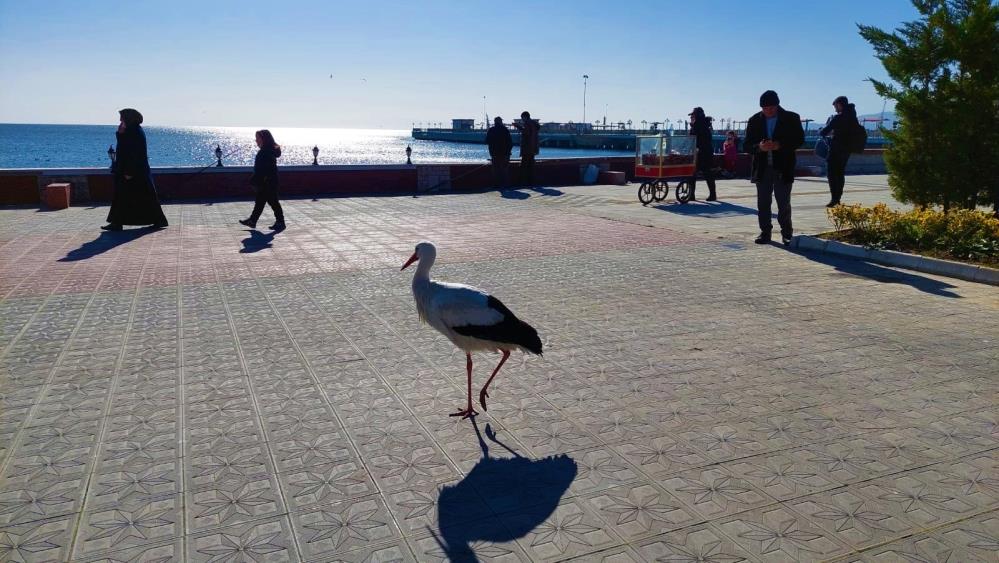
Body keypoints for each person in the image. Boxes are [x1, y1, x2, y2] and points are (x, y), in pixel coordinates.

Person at [743, 90, 805, 245]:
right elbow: (746, 145)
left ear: (777, 105)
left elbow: (799, 140)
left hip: (783, 167)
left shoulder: (791, 118)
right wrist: (759, 147)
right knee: (763, 203)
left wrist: (780, 145)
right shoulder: (754, 120)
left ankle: (787, 233)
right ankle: (765, 233)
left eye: (771, 107)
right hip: (762, 168)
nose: (768, 111)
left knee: (783, 202)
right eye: (765, 108)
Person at [102, 108, 168, 231]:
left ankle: (158, 220)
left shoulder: (135, 132)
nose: (120, 120)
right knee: (125, 197)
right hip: (131, 171)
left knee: (142, 197)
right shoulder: (131, 130)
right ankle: (117, 222)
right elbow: (124, 147)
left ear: (128, 118)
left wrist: (129, 171)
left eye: (122, 117)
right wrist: (120, 134)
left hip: (134, 172)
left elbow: (134, 153)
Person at [239, 129, 285, 230]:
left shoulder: (265, 152)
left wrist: (257, 180)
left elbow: (264, 169)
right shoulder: (268, 150)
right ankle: (253, 221)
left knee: (272, 202)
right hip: (268, 181)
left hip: (267, 182)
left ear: (264, 139)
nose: (256, 141)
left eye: (258, 138)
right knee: (261, 202)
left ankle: (280, 222)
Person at [820, 95, 859, 207]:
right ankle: (838, 197)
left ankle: (834, 199)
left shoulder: (838, 118)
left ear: (840, 105)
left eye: (836, 106)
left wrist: (829, 132)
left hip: (835, 149)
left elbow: (824, 132)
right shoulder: (853, 117)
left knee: (832, 174)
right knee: (840, 173)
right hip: (847, 150)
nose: (835, 109)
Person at [688, 107, 717, 201]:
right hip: (706, 152)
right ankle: (712, 194)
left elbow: (693, 137)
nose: (691, 117)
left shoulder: (698, 125)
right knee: (708, 174)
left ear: (697, 116)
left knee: (693, 174)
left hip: (701, 153)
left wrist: (692, 125)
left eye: (693, 115)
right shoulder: (705, 124)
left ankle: (691, 195)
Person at [514, 111, 540, 186]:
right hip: (533, 148)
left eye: (522, 118)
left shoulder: (528, 123)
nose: (522, 120)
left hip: (527, 148)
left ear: (525, 117)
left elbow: (526, 133)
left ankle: (523, 182)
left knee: (524, 165)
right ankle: (532, 182)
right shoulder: (534, 124)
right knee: (531, 165)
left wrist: (518, 126)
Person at [486, 116, 513, 188]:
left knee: (495, 169)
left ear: (495, 122)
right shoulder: (505, 130)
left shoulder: (491, 130)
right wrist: (508, 151)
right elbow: (510, 142)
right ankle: (505, 184)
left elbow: (487, 141)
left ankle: (496, 185)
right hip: (505, 153)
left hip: (494, 153)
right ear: (500, 122)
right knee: (504, 169)